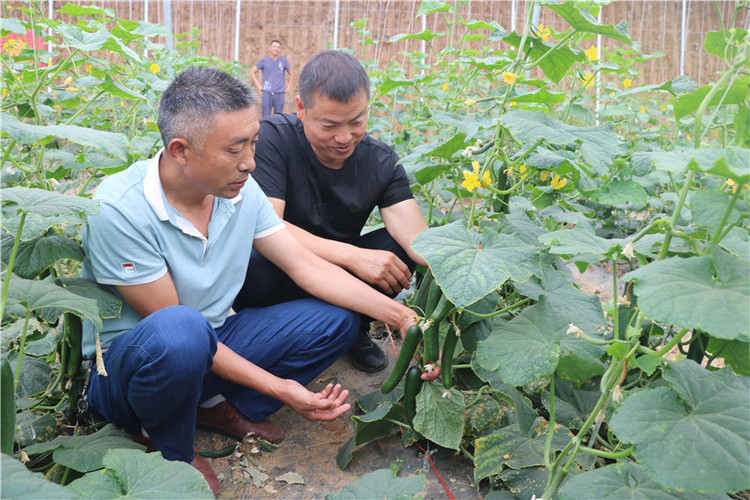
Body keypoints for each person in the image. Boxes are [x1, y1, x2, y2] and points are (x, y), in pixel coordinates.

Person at [80, 66, 434, 497]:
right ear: (180, 150)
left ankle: (209, 406)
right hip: (129, 369)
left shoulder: (240, 190)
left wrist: (399, 315)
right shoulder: (118, 209)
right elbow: (173, 325)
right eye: (235, 149)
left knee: (337, 321)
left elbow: (307, 267)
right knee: (182, 330)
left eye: (253, 143)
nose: (250, 162)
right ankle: (170, 450)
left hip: (210, 339)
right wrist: (281, 387)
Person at [233, 50, 430, 374]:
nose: (344, 137)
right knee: (253, 259)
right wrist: (354, 256)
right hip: (279, 271)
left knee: (397, 252)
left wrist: (463, 267)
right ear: (301, 108)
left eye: (357, 122)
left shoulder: (380, 161)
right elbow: (267, 227)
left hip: (343, 279)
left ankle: (352, 328)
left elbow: (420, 241)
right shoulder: (273, 140)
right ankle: (268, 333)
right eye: (329, 125)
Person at [250, 39, 292, 117]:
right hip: (267, 93)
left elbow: (291, 73)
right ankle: (265, 129)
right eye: (274, 46)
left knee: (278, 117)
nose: (276, 48)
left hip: (279, 93)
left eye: (278, 47)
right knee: (265, 116)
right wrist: (259, 85)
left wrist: (288, 86)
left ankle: (277, 129)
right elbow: (252, 71)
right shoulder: (264, 60)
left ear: (280, 49)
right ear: (270, 48)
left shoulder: (283, 61)